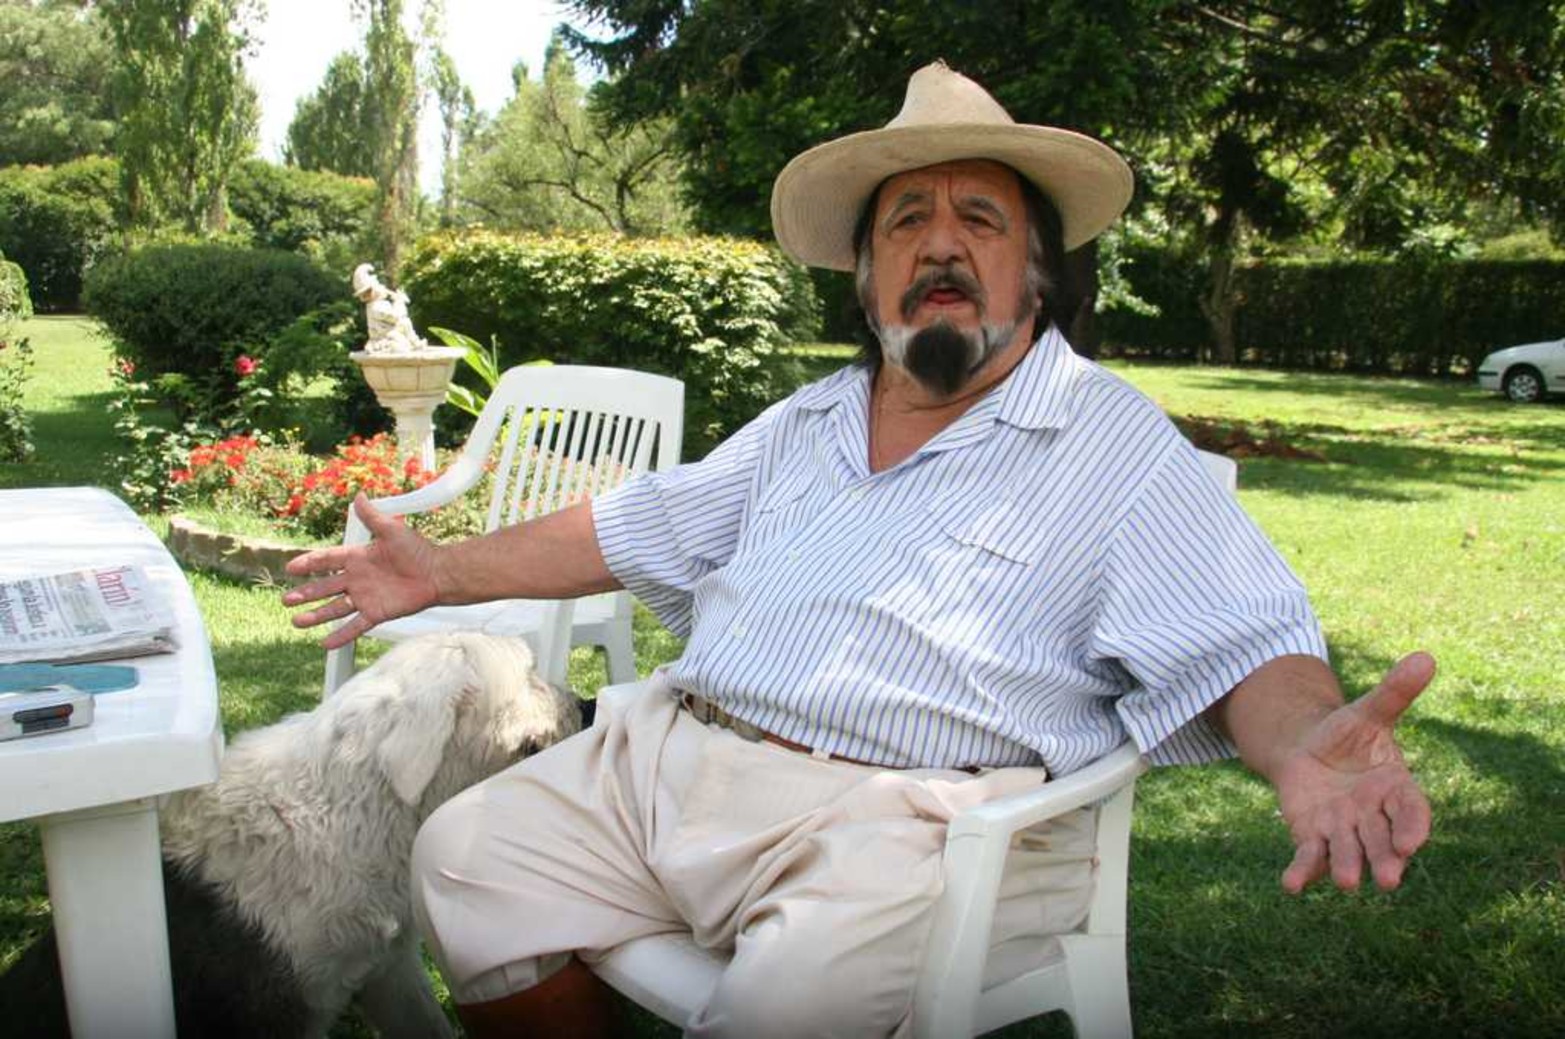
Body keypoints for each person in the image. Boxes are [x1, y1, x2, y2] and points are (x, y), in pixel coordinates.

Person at [285, 63, 1433, 1038]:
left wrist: (1303, 743)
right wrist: (438, 570)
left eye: (979, 220)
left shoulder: (1110, 443)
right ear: (865, 274)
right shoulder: (808, 421)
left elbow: (1243, 640)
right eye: (905, 221)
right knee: (468, 856)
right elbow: (628, 526)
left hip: (912, 826)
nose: (940, 244)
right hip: (672, 762)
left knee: (788, 1001)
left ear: (1037, 272)